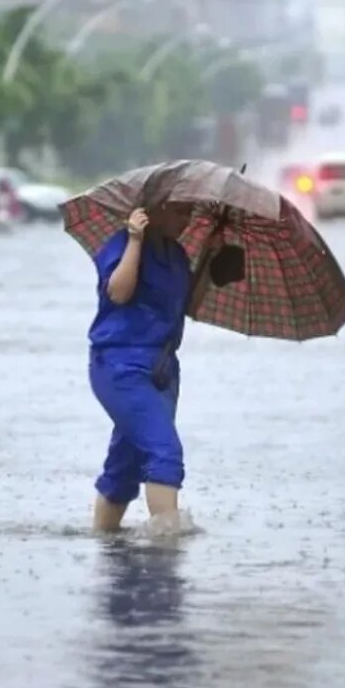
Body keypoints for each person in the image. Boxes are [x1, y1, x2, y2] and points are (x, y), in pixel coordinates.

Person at [86, 201, 242, 533]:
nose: (187, 220)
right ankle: (166, 552)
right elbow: (118, 292)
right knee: (164, 451)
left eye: (190, 213)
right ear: (154, 210)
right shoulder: (121, 242)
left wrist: (211, 260)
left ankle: (104, 540)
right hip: (120, 366)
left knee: (125, 464)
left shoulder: (177, 255)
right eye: (180, 212)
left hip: (162, 369)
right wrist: (136, 241)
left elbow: (188, 306)